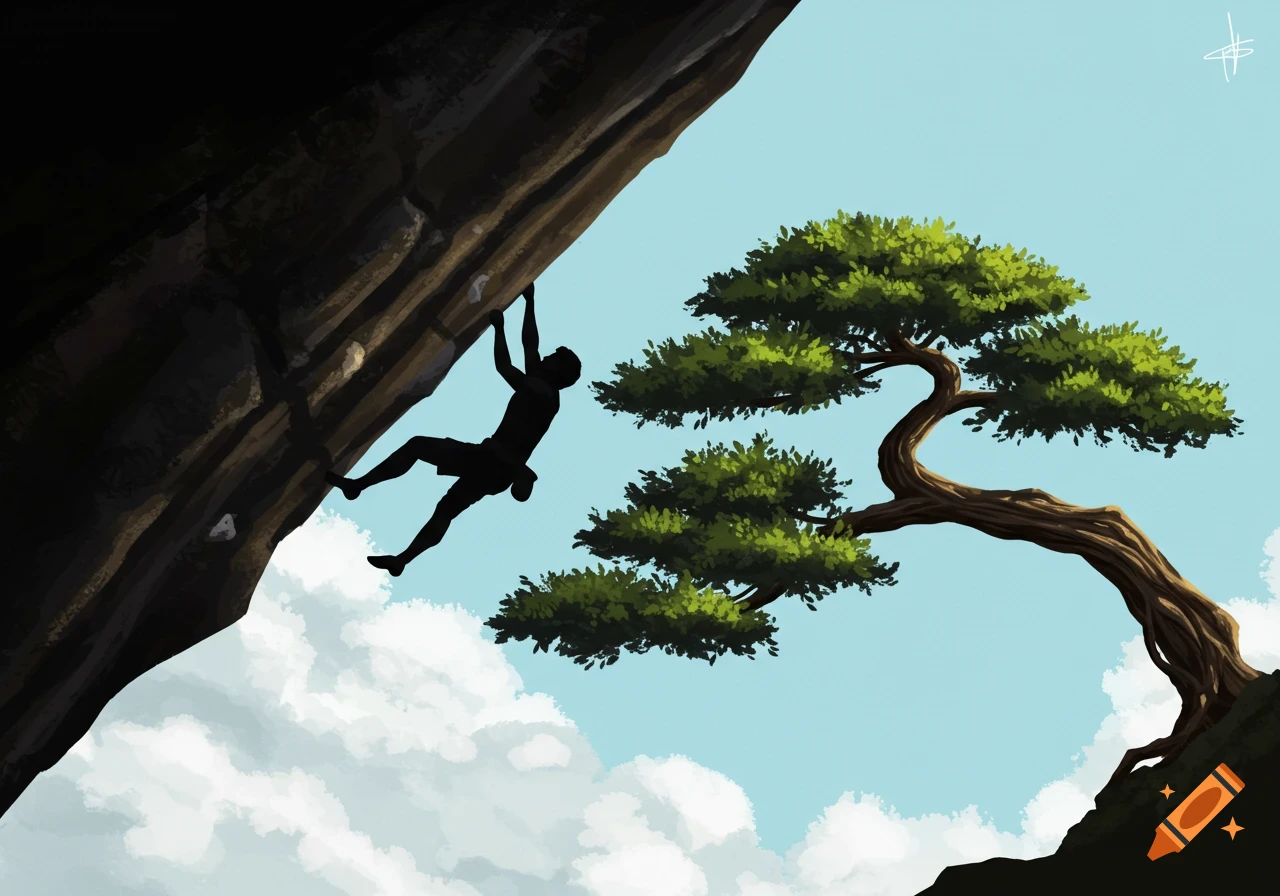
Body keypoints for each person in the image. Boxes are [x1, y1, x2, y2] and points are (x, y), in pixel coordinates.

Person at [324, 282, 581, 576]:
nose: (545, 357)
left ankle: (362, 492)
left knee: (421, 452)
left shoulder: (542, 392)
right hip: (492, 462)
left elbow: (505, 367)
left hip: (494, 462)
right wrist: (530, 301)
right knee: (445, 505)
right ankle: (400, 557)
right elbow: (531, 345)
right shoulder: (544, 385)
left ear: (558, 372)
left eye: (553, 359)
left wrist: (499, 328)